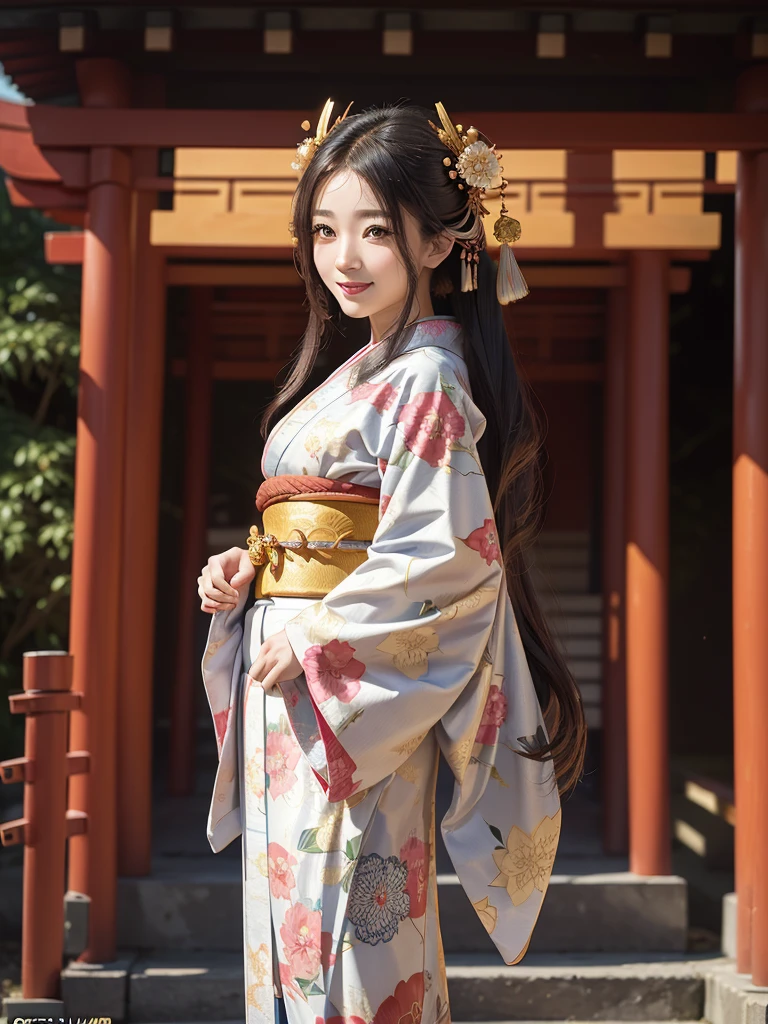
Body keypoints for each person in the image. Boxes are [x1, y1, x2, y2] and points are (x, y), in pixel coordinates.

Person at [197, 99, 587, 1024]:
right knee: (291, 927)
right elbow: (319, 529)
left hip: (351, 699)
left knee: (353, 935)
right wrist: (246, 571)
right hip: (296, 680)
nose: (344, 256)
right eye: (325, 229)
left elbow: (447, 558)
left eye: (375, 229)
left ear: (438, 239)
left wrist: (326, 630)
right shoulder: (349, 375)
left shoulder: (426, 378)